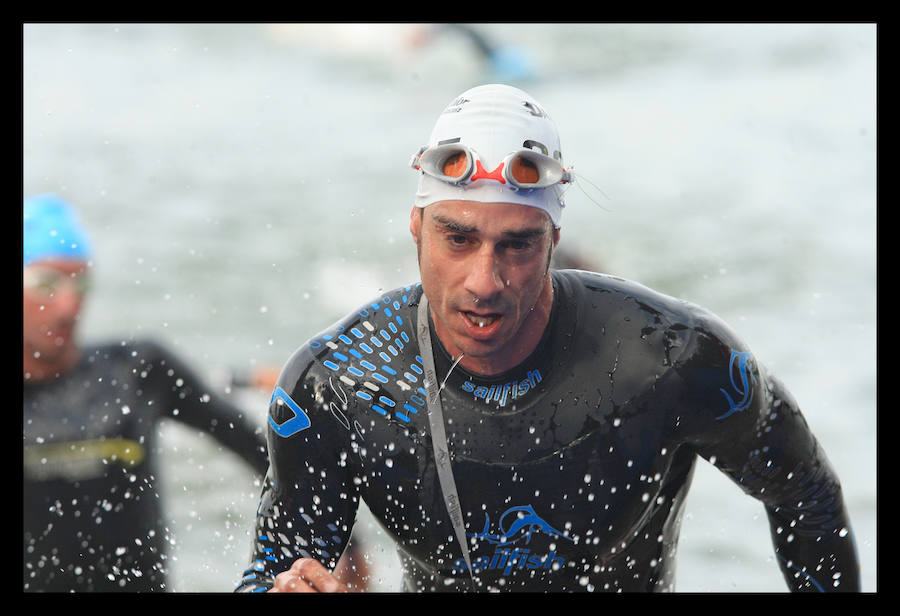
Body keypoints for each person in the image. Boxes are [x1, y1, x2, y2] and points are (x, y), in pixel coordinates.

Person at [235, 84, 860, 593]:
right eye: (458, 238)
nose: (485, 281)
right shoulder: (342, 382)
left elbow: (806, 493)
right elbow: (271, 573)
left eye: (517, 245)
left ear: (554, 242)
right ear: (416, 227)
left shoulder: (670, 357)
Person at [22, 194, 270, 592]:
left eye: (80, 281)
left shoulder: (136, 372)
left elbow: (259, 447)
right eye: (46, 284)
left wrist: (333, 543)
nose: (68, 304)